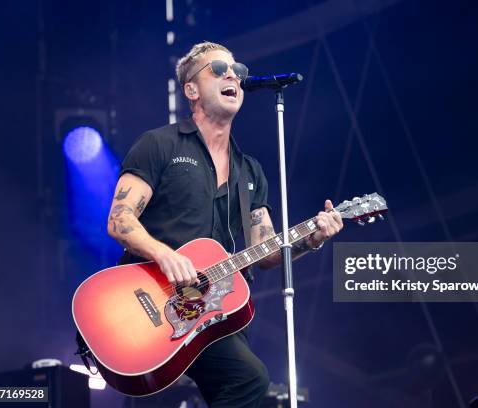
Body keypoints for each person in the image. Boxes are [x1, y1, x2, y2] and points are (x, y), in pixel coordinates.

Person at [106, 41, 343, 408]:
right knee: (248, 379)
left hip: (214, 311)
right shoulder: (159, 145)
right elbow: (120, 220)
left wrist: (312, 238)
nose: (232, 74)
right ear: (191, 89)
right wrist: (164, 255)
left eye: (237, 70)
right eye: (217, 69)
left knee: (243, 383)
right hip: (150, 301)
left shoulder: (250, 171)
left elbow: (265, 250)